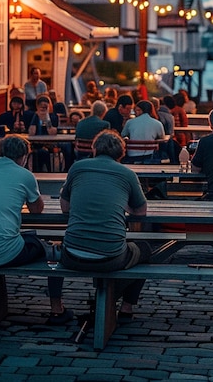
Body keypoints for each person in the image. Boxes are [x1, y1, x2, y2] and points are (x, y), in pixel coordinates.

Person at [0, 136, 71, 324]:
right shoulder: (24, 175)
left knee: (20, 237)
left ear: (1, 152)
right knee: (52, 250)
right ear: (24, 156)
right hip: (2, 253)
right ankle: (57, 309)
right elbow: (37, 209)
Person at [60, 130, 151, 319]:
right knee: (145, 250)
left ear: (94, 148)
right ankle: (126, 308)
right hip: (110, 257)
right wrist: (125, 206)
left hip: (71, 254)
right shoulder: (127, 174)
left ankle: (63, 305)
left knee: (50, 245)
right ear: (122, 152)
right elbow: (141, 211)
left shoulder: (77, 168)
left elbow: (65, 208)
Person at [28, 95, 60, 172]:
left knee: (44, 153)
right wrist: (36, 117)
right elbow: (31, 133)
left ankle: (50, 171)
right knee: (38, 152)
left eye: (45, 107)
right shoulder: (35, 116)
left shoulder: (54, 117)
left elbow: (52, 133)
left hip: (50, 143)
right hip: (36, 144)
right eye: (40, 107)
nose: (43, 109)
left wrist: (47, 118)